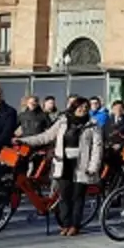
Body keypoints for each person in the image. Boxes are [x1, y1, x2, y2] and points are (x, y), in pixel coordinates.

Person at [15, 98, 103, 236]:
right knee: (64, 196)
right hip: (64, 163)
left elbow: (97, 148)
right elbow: (46, 136)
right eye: (80, 107)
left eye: (86, 107)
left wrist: (93, 167)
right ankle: (65, 224)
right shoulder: (63, 121)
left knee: (78, 196)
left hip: (82, 164)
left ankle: (75, 225)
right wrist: (23, 141)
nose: (83, 109)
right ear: (73, 107)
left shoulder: (93, 125)